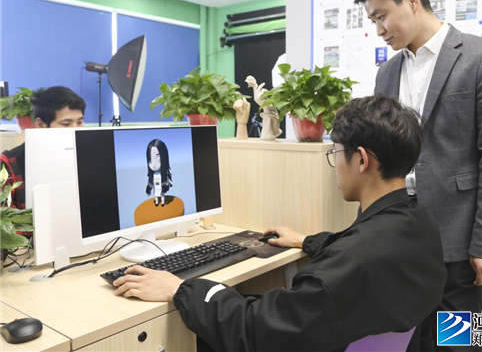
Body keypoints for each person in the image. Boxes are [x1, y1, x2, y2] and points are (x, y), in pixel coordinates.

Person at [113, 95, 447, 352]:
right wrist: (305, 241)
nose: (335, 165)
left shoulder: (347, 267)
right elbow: (359, 247)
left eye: (335, 153)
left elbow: (255, 330)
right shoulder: (421, 226)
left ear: (361, 160)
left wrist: (180, 289)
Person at [355, 0, 482, 351]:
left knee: (455, 342)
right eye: (373, 21)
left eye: (382, 16)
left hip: (455, 240)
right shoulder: (386, 73)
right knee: (405, 340)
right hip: (396, 236)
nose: (379, 30)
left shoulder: (481, 58)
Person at [1, 86, 85, 210]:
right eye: (66, 124)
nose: (75, 129)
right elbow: (5, 216)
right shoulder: (8, 163)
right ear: (40, 124)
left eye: (79, 122)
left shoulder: (85, 156)